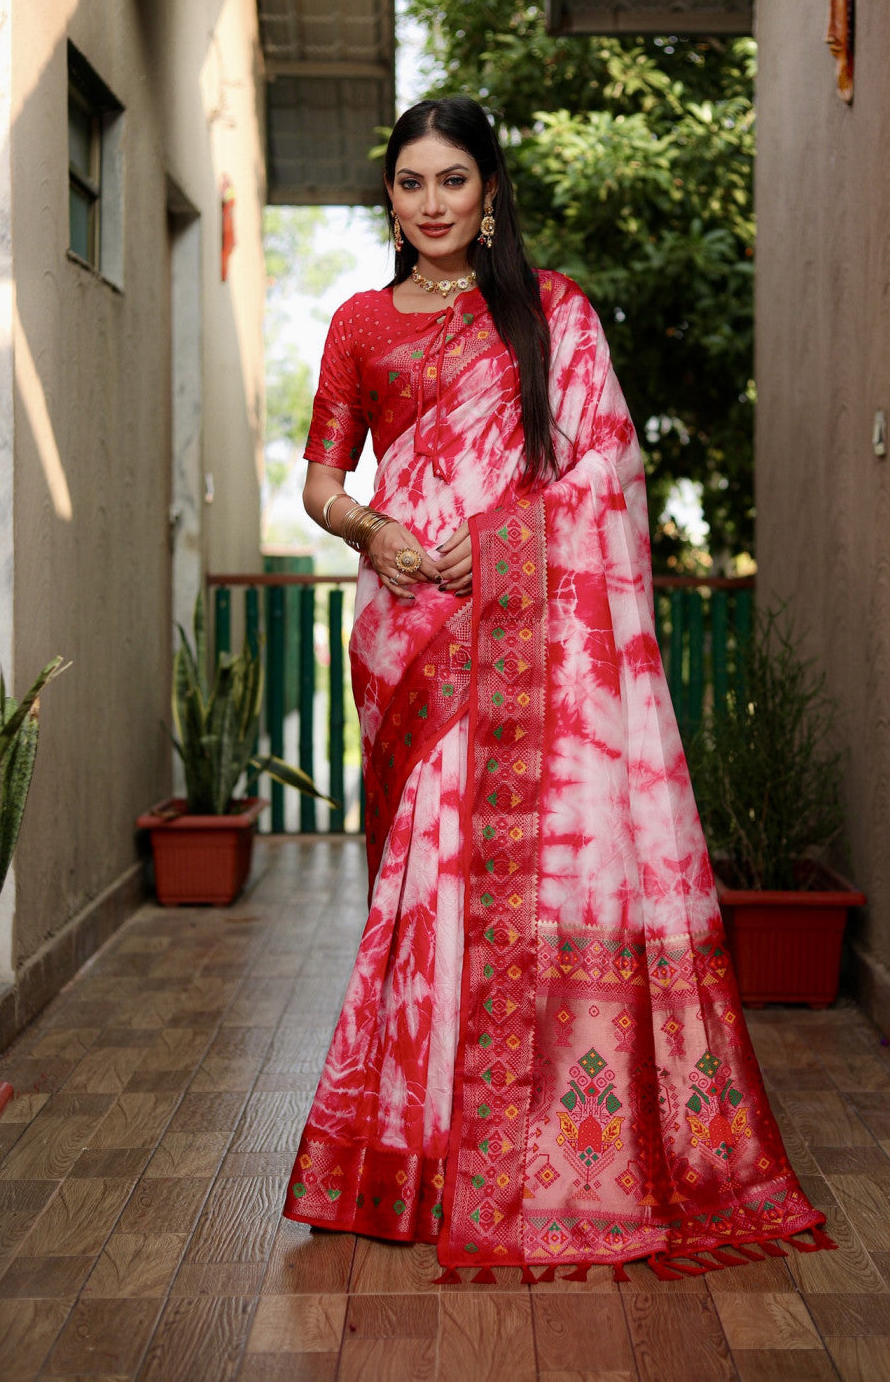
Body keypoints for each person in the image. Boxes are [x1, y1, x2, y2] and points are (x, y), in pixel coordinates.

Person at [282, 97, 833, 1280]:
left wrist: (506, 543)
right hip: (411, 633)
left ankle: (542, 1159)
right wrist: (375, 532)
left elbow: (608, 467)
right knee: (423, 890)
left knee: (513, 886)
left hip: (531, 634)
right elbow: (319, 482)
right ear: (390, 196)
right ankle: (411, 1156)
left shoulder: (553, 315)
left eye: (453, 182)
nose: (430, 204)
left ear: (490, 197)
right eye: (411, 183)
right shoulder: (360, 326)